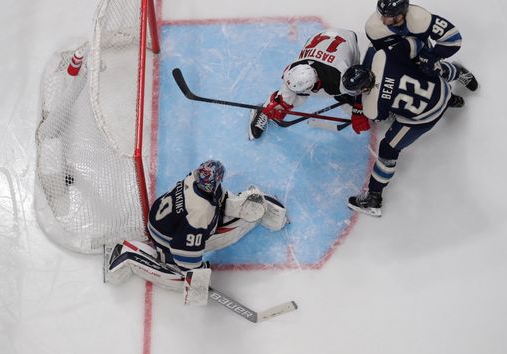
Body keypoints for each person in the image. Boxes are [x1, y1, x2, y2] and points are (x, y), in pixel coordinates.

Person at [106, 160, 288, 305]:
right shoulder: (200, 212)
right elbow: (182, 251)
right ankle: (129, 255)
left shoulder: (195, 178)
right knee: (179, 278)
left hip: (167, 223)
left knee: (227, 224)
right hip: (166, 240)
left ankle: (254, 206)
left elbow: (219, 198)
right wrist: (195, 272)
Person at [343, 43, 473, 218]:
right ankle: (458, 74)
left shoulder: (370, 106)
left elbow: (379, 117)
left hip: (428, 115)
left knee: (389, 148)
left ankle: (373, 198)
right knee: (423, 65)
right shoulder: (382, 58)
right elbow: (409, 46)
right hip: (441, 88)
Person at [365, 0, 479, 103]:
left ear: (399, 17)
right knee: (401, 82)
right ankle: (441, 97)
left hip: (419, 48)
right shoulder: (374, 28)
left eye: (387, 16)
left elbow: (453, 39)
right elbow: (384, 54)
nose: (381, 19)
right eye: (380, 13)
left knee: (431, 70)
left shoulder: (420, 18)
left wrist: (432, 57)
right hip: (393, 51)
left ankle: (456, 72)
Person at [248, 28, 364, 140]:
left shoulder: (338, 79)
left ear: (313, 85)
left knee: (351, 88)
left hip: (348, 40)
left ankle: (346, 97)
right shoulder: (292, 70)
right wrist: (279, 105)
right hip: (322, 37)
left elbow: (361, 81)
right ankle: (261, 110)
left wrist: (358, 109)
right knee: (289, 99)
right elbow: (287, 92)